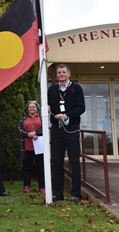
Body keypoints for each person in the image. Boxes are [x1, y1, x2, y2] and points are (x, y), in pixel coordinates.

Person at [48, 64, 86, 203]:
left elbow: (81, 107)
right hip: (56, 129)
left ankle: (75, 193)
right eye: (59, 72)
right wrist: (47, 107)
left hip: (72, 128)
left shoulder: (76, 88)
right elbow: (49, 105)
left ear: (69, 74)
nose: (61, 74)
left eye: (64, 72)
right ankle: (57, 194)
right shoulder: (52, 90)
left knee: (74, 161)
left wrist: (66, 115)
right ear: (57, 75)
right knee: (56, 162)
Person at [18, 101, 45, 194]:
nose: (31, 109)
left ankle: (42, 187)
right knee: (27, 167)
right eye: (30, 107)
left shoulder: (42, 119)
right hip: (27, 146)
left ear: (37, 108)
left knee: (40, 167)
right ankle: (26, 186)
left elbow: (45, 129)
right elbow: (20, 130)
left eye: (33, 107)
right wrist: (29, 134)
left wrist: (35, 133)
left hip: (39, 147)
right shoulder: (23, 119)